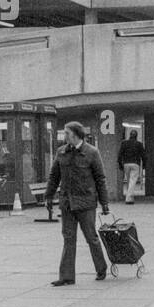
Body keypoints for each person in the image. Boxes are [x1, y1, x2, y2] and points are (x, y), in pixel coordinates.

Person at [44, 121, 111, 286]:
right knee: (68, 238)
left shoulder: (92, 152)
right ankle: (66, 276)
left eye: (67, 133)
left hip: (86, 203)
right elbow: (54, 176)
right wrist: (48, 196)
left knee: (91, 238)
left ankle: (101, 269)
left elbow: (100, 179)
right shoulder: (61, 152)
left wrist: (104, 203)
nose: (64, 136)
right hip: (67, 202)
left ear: (75, 134)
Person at [118, 129, 145, 205]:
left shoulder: (124, 143)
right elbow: (143, 155)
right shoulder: (139, 144)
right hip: (135, 164)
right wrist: (144, 165)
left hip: (126, 164)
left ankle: (131, 197)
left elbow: (120, 154)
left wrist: (120, 164)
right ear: (136, 136)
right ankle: (128, 198)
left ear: (130, 135)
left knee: (129, 181)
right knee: (132, 181)